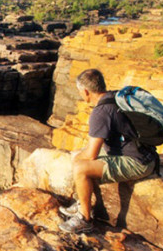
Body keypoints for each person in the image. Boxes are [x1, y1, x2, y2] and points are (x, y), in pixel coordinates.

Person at [58, 69, 157, 233]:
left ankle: (85, 218)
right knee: (78, 155)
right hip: (143, 153)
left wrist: (77, 161)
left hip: (139, 162)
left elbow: (91, 154)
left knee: (80, 168)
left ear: (85, 91)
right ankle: (82, 201)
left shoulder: (101, 112)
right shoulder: (115, 97)